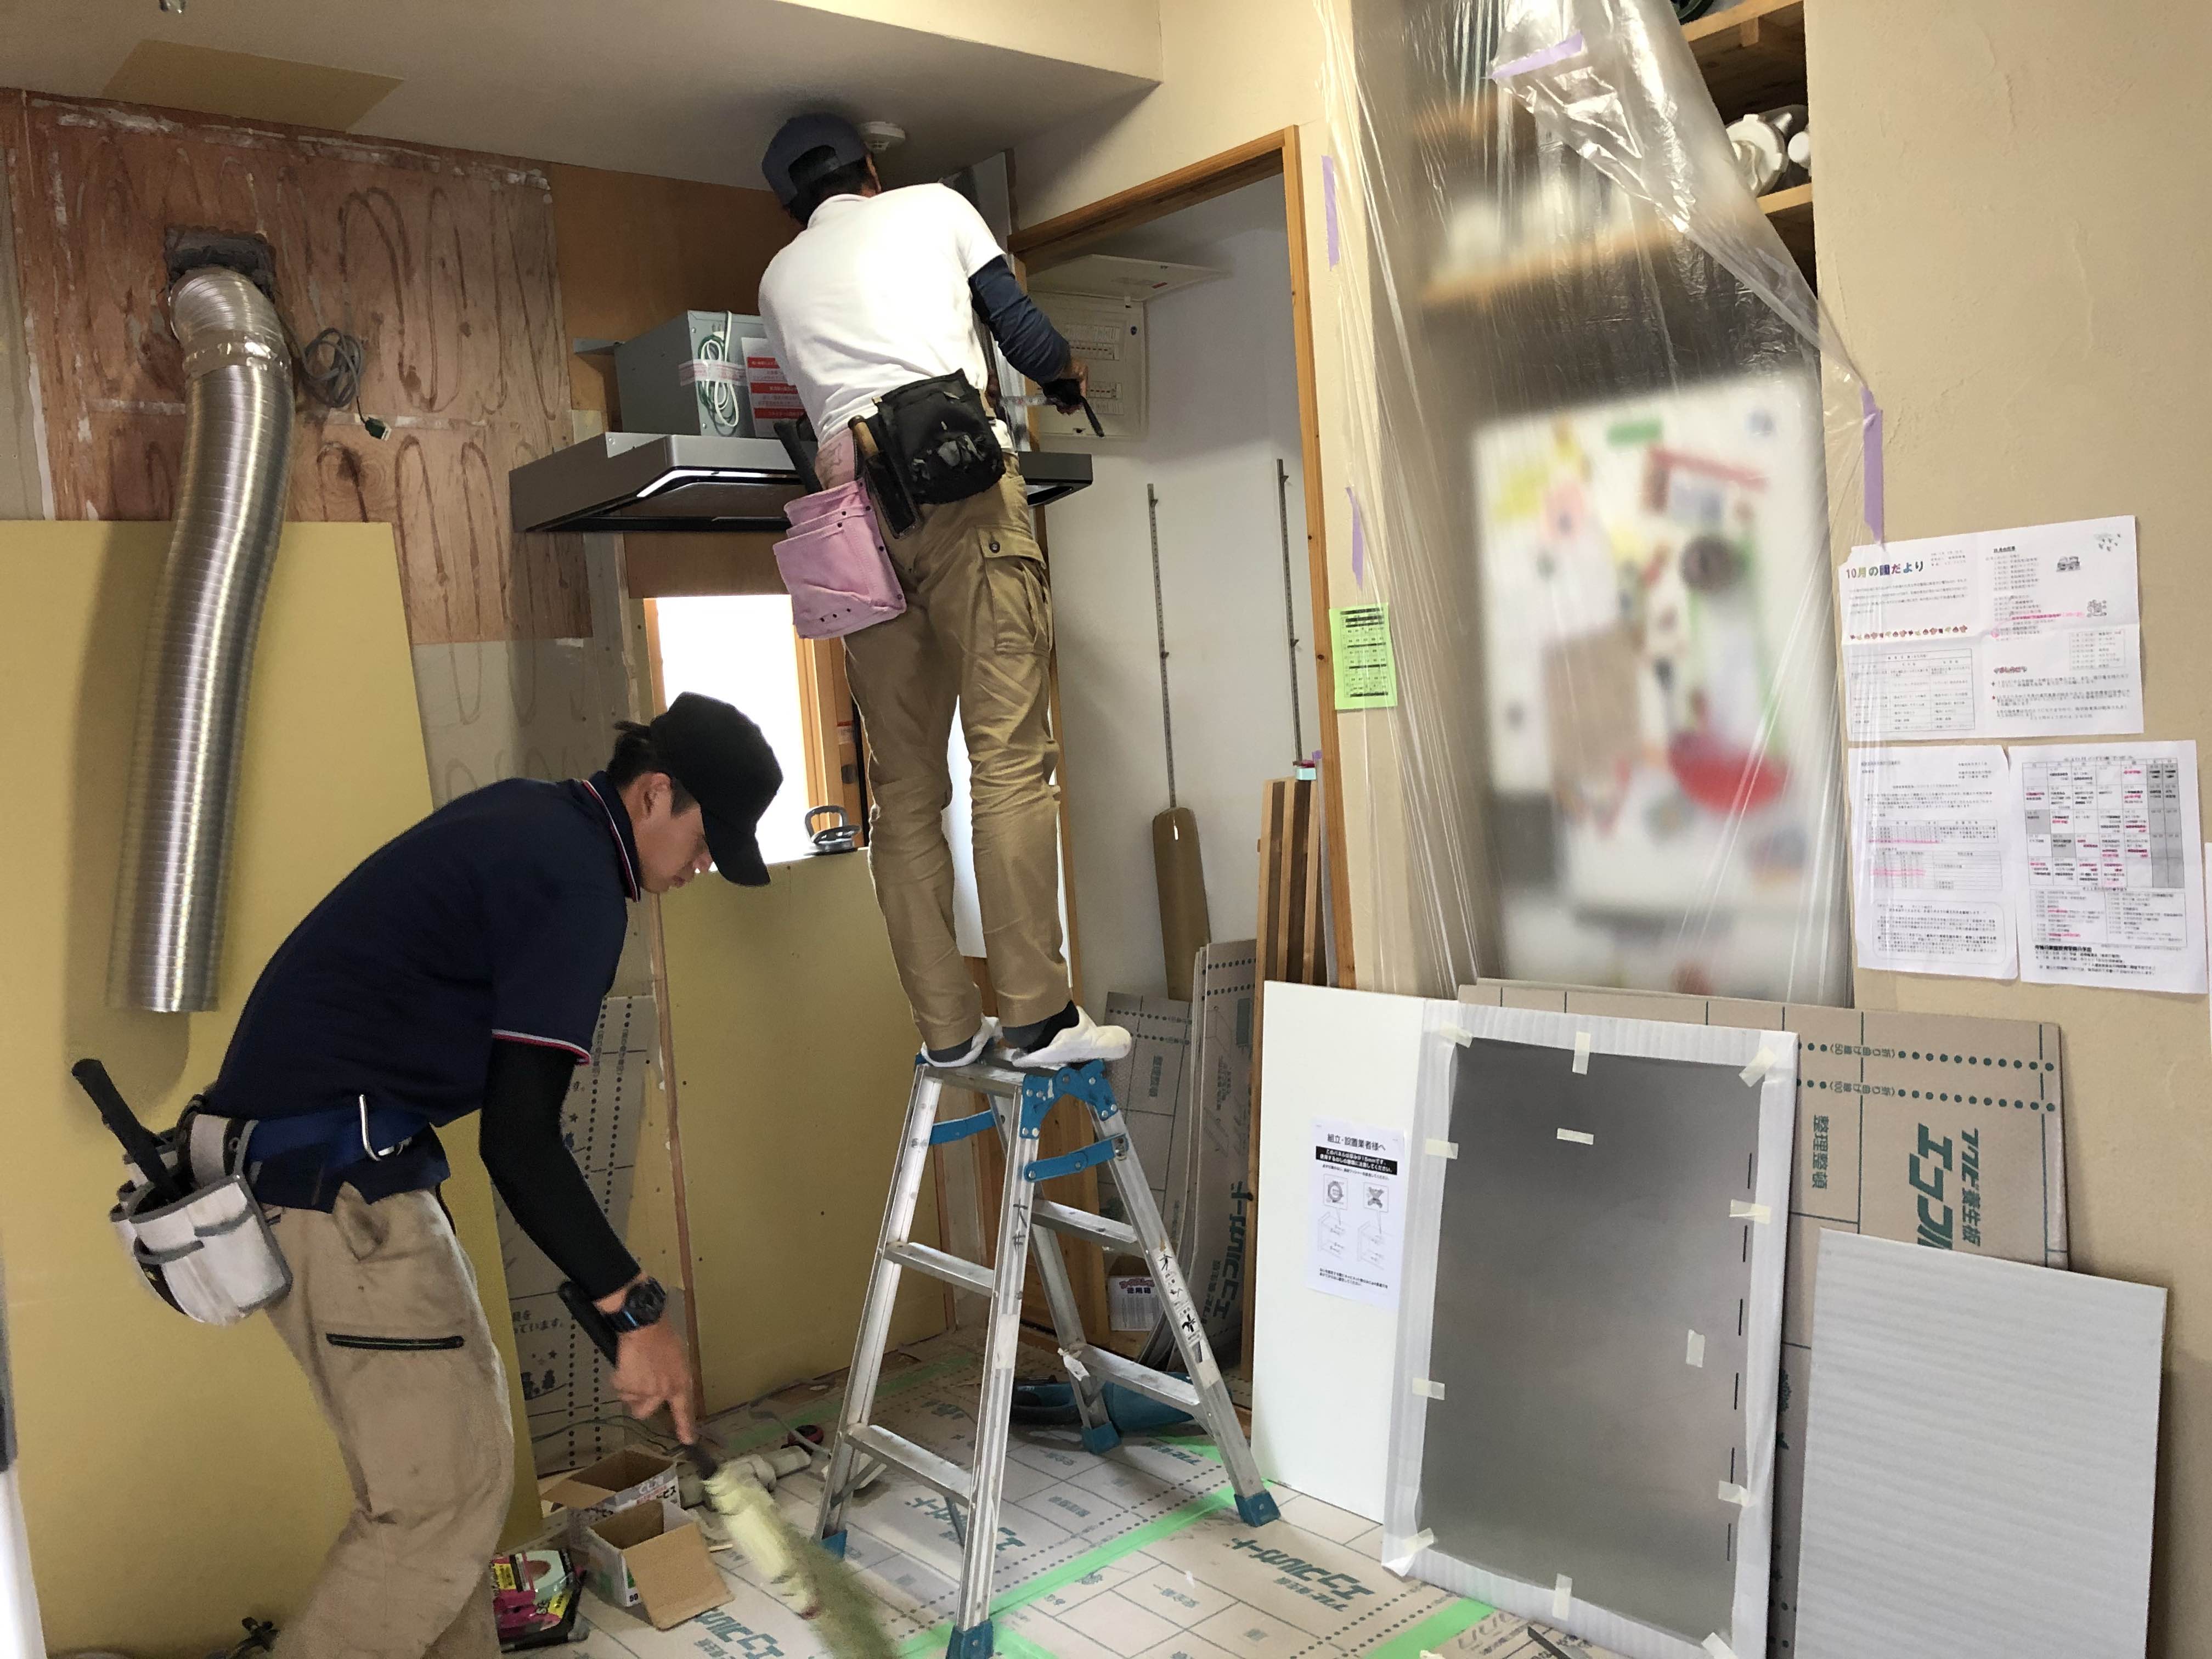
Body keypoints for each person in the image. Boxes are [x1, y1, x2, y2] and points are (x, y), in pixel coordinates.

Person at [197, 693, 780, 1659]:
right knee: (444, 1503)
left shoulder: (534, 821)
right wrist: (636, 1312)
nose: (702, 866)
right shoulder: (577, 882)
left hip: (322, 1173)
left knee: (445, 1502)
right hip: (337, 1189)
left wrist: (619, 1309)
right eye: (706, 839)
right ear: (654, 793)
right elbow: (518, 1142)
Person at [757, 112, 1130, 1074]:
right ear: (871, 169)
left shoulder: (777, 279)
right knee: (1007, 758)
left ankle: (948, 1029)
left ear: (792, 205)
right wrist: (1066, 376)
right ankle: (1037, 1018)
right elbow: (1026, 336)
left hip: (852, 520)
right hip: (958, 487)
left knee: (904, 788)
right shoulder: (936, 206)